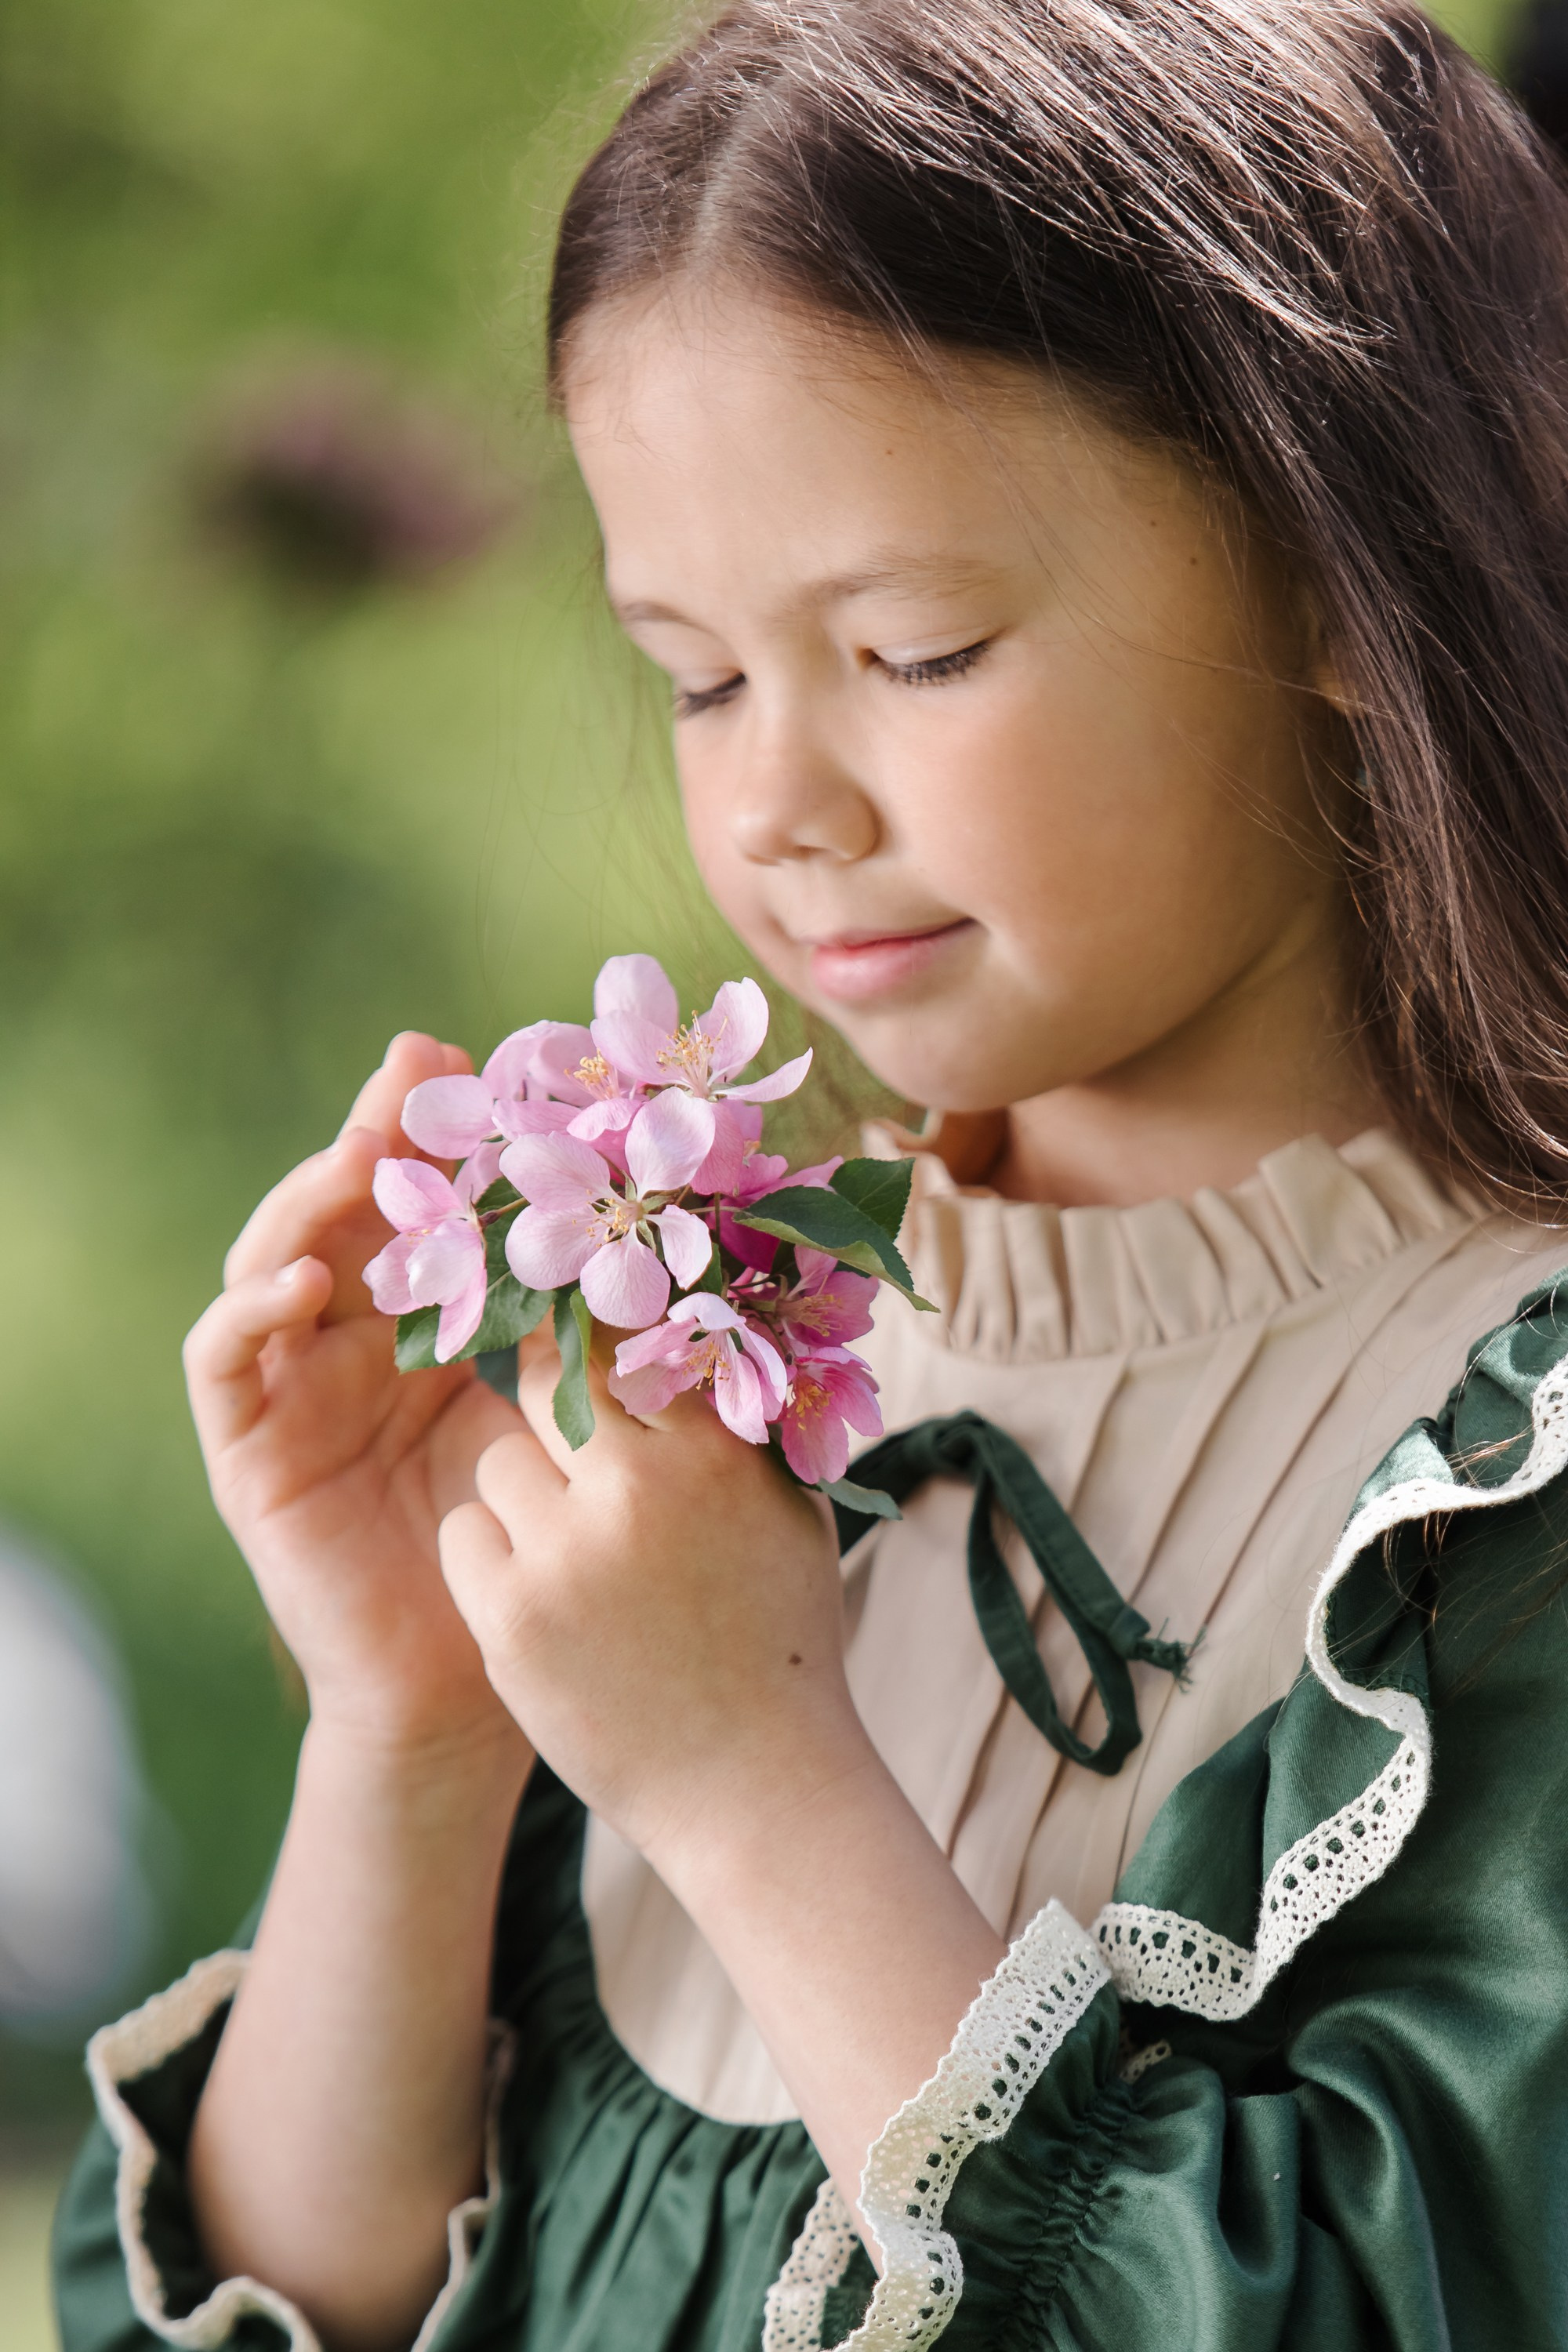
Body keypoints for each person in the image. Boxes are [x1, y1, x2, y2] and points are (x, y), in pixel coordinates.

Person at [51, 3, 1568, 2346]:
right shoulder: (701, 1356)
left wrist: (762, 1783)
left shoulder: (1497, 1477)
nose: (778, 807)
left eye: (913, 648)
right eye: (696, 676)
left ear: (1341, 576)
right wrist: (417, 1730)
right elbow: (312, 2298)